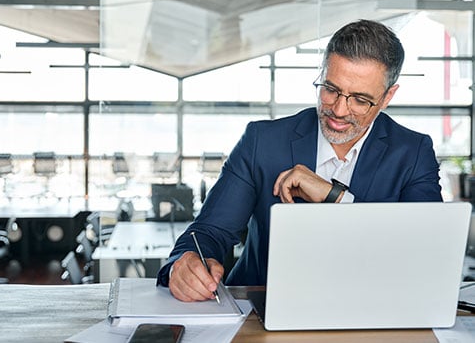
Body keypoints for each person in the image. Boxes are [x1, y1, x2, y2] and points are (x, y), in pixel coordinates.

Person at [156, 19, 443, 302]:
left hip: (370, 311)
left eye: (360, 99)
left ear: (388, 96)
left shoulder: (413, 152)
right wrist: (184, 264)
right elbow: (209, 231)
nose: (339, 110)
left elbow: (425, 254)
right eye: (330, 89)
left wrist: (335, 198)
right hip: (259, 311)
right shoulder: (262, 142)